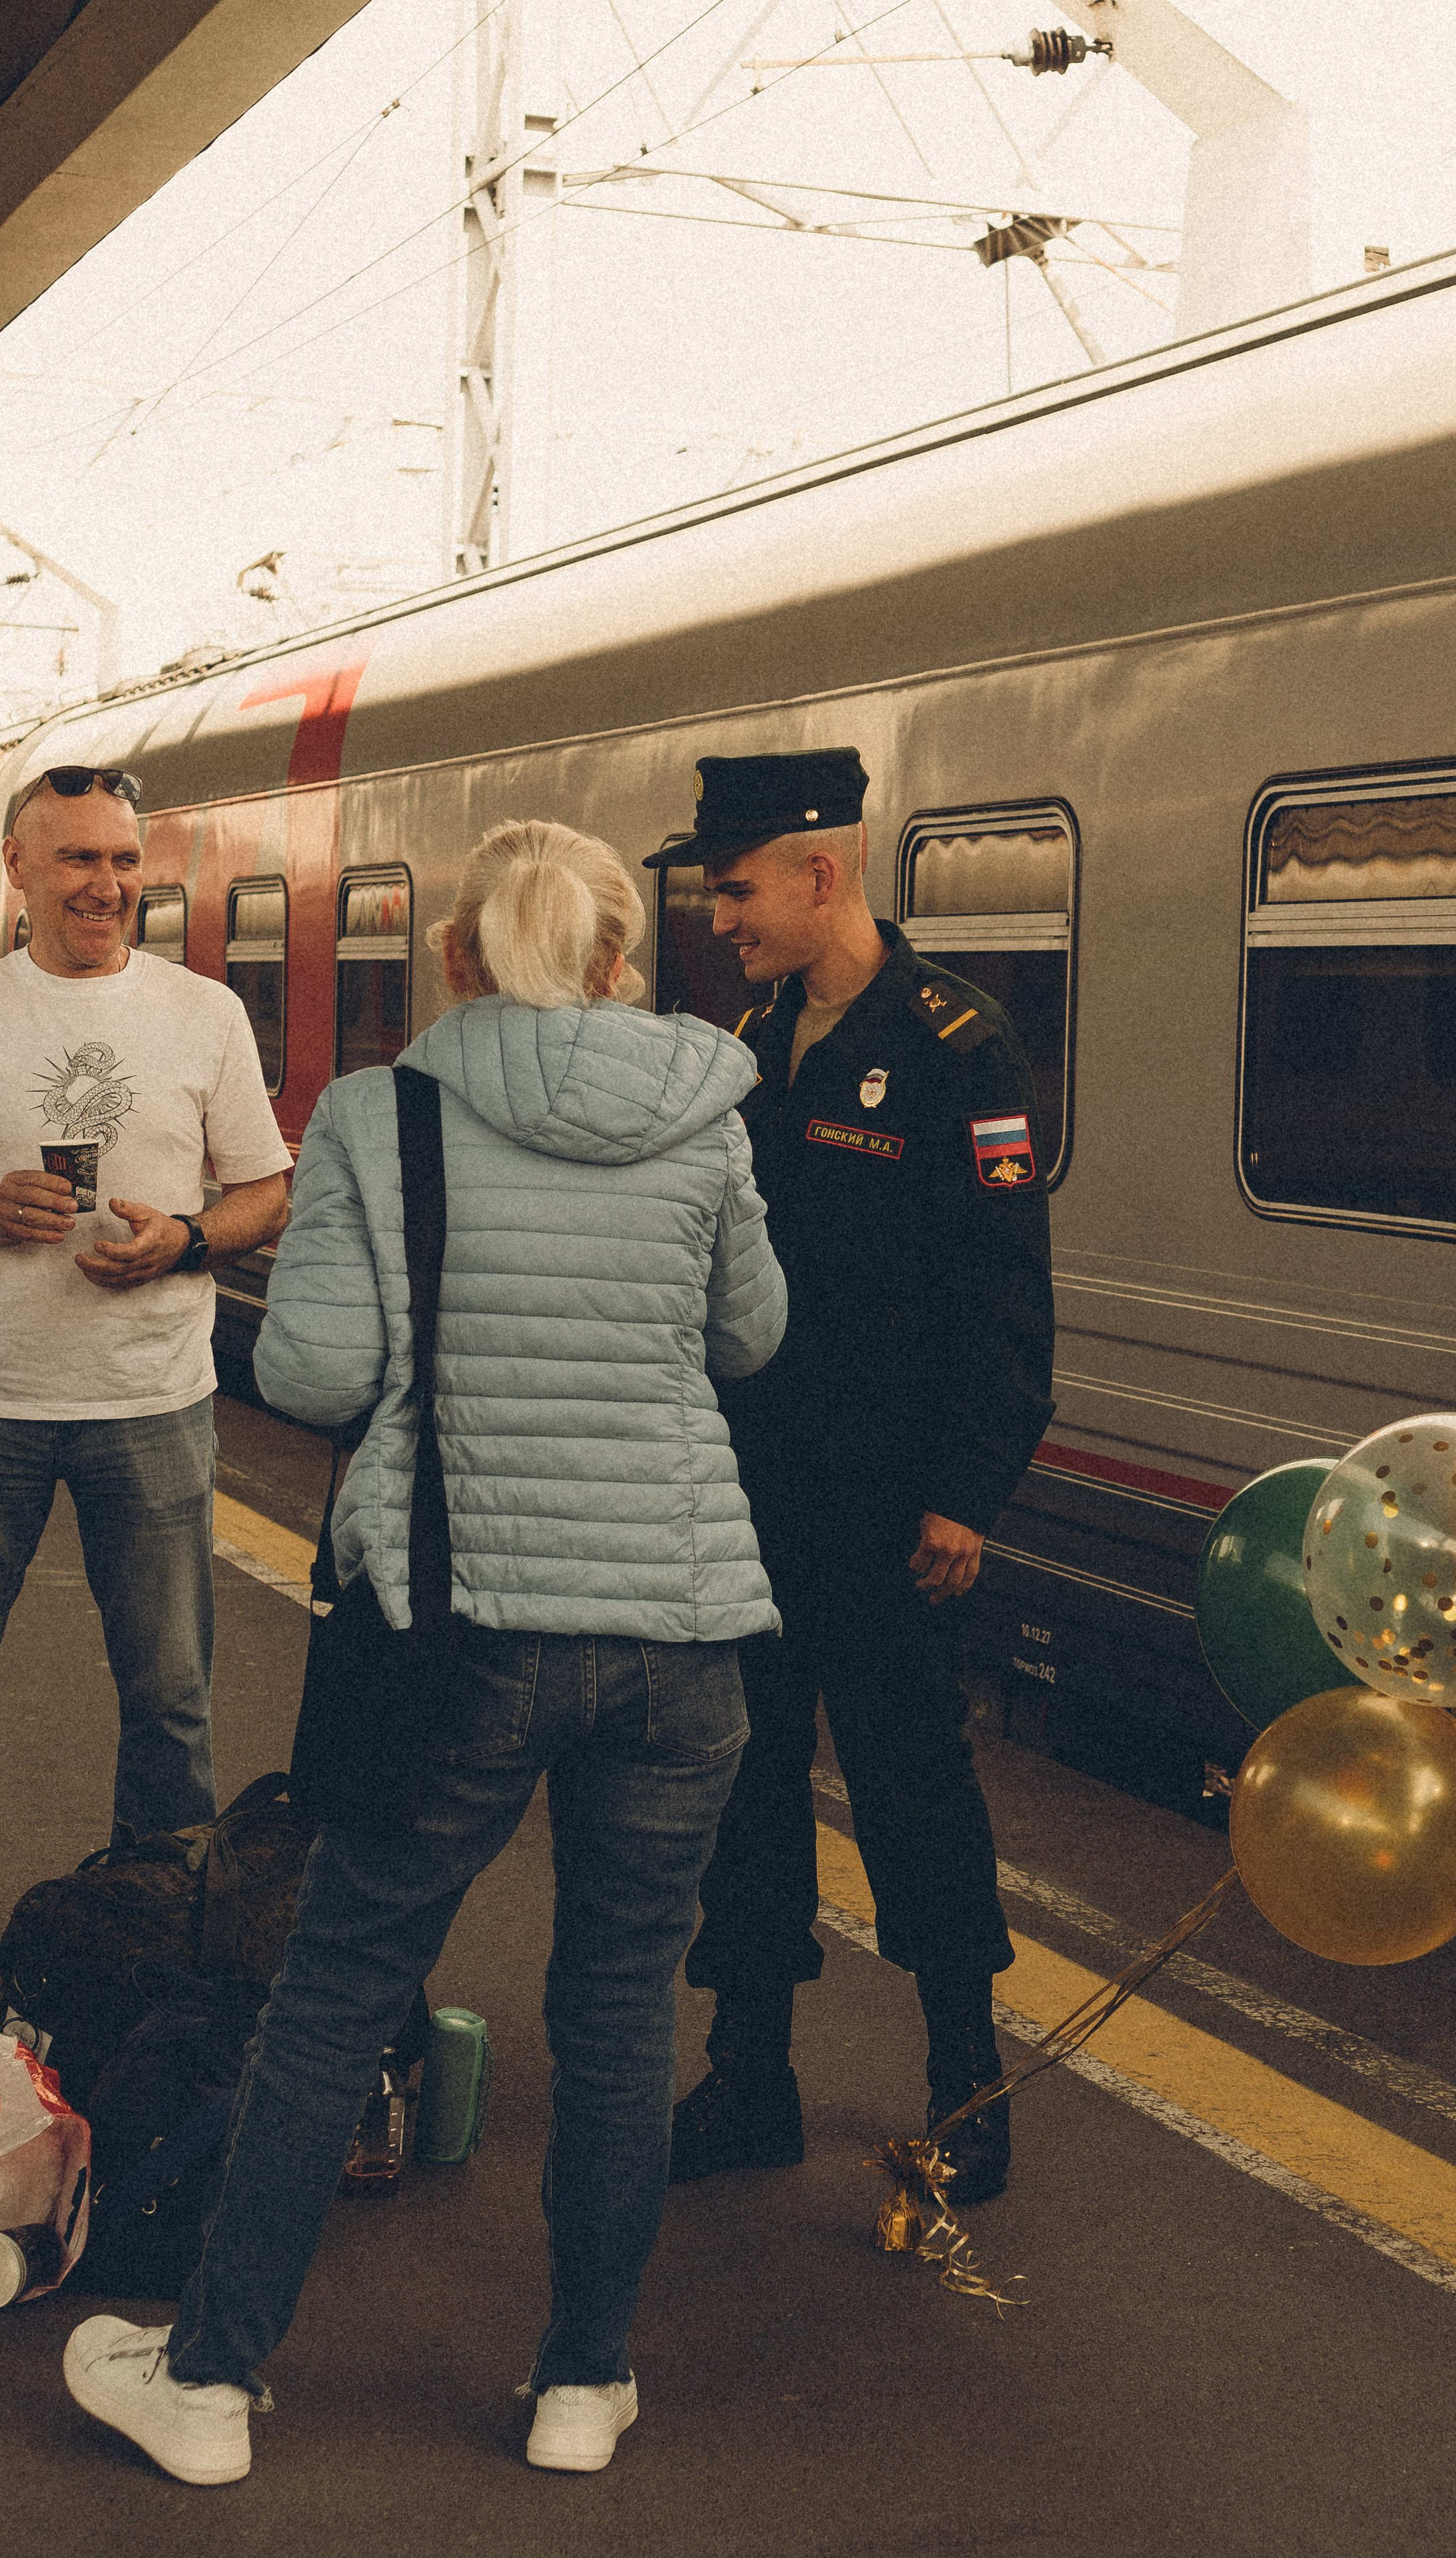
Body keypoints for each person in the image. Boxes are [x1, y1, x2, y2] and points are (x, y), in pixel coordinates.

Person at [62, 817, 787, 2487]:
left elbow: (311, 1374)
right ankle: (582, 2388)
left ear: (456, 955)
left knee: (334, 1997)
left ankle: (215, 2383)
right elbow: (748, 1334)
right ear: (619, 956)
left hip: (457, 1631)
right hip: (678, 1634)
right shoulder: (707, 1112)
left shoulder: (385, 1119)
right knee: (614, 2015)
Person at [647, 750, 1055, 2204]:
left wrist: (968, 1492)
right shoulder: (752, 1035)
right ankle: (751, 2069)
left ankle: (965, 2081)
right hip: (750, 1498)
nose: (720, 918)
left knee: (911, 1794)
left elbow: (1004, 1296)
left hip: (887, 1511)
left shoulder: (956, 1045)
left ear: (822, 874)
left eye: (737, 889)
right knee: (746, 1789)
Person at [0, 766, 292, 1839]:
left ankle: (158, 1939)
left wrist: (189, 1241)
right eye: (78, 856)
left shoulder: (203, 1012)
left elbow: (267, 1190)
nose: (105, 883)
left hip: (154, 1404)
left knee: (171, 1703)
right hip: (2, 1403)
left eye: (124, 859)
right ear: (16, 867)